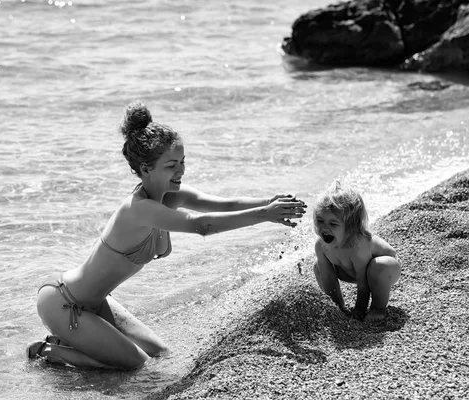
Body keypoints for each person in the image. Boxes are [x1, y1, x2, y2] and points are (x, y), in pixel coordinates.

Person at [27, 101, 307, 370]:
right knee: (139, 366)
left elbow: (225, 204)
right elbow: (202, 225)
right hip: (64, 303)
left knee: (162, 354)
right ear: (146, 169)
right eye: (171, 165)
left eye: (182, 162)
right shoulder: (139, 209)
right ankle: (50, 350)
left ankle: (74, 341)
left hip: (98, 302)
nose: (181, 170)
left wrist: (267, 203)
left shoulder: (170, 196)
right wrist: (265, 215)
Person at [312, 181, 401, 322]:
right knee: (319, 267)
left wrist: (359, 309)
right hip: (351, 271)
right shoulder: (321, 246)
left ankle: (378, 309)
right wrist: (337, 308)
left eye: (333, 224)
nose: (324, 228)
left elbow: (363, 282)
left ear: (351, 227)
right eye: (320, 220)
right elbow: (328, 279)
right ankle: (337, 306)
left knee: (379, 266)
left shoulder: (357, 245)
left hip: (384, 272)